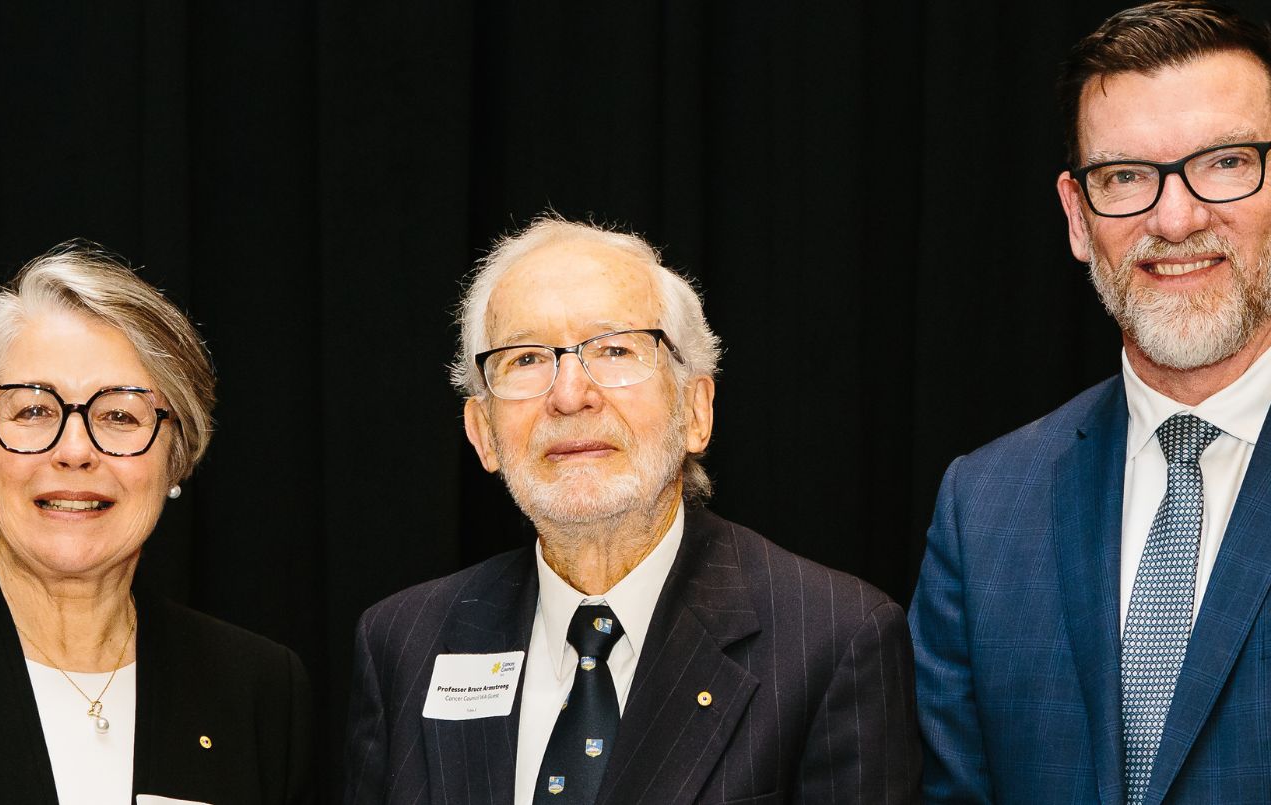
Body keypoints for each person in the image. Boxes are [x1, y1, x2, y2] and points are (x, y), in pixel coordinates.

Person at [908, 1, 1271, 802]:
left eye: (1224, 162)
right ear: (1078, 217)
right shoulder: (982, 508)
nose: (1175, 217)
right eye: (1125, 177)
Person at [344, 216, 920, 804]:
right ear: (482, 433)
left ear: (696, 410)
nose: (569, 395)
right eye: (525, 359)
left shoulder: (833, 642)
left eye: (614, 349)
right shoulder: (404, 645)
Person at [0, 241, 313, 803]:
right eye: (33, 410)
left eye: (120, 415)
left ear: (178, 455)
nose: (75, 451)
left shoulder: (259, 691)